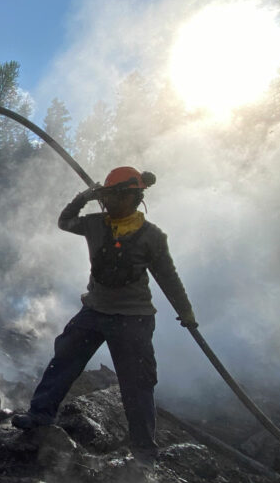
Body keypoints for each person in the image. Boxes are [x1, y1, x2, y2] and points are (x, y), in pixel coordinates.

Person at [11, 167, 196, 463]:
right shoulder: (96, 224)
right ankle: (39, 415)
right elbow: (64, 222)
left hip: (133, 319)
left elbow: (168, 277)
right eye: (105, 196)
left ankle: (144, 451)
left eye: (112, 197)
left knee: (137, 385)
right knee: (63, 362)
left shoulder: (152, 236)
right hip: (95, 310)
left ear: (132, 198)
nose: (107, 203)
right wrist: (84, 196)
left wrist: (185, 311)